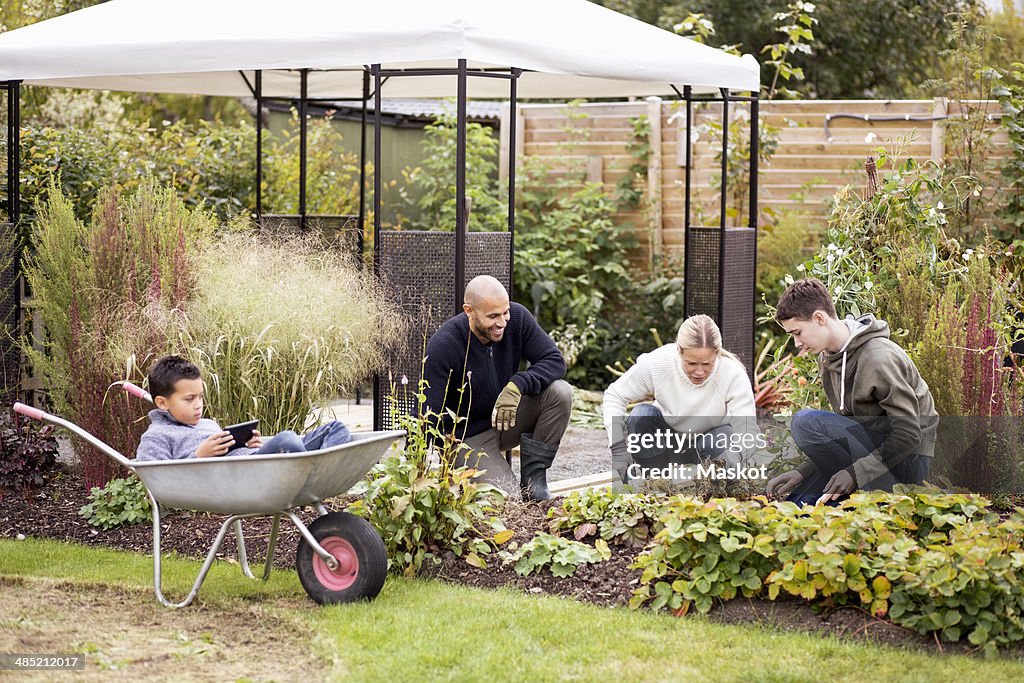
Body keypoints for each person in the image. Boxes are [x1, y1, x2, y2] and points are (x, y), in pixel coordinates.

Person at [765, 278, 938, 505]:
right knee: (801, 506)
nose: (796, 343)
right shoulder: (828, 359)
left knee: (804, 422)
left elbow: (909, 435)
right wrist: (805, 471)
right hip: (872, 451)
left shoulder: (879, 358)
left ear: (819, 318)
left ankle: (887, 499)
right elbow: (846, 432)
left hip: (908, 461)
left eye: (798, 333)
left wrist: (855, 473)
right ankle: (856, 504)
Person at [422, 275, 572, 501]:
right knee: (507, 502)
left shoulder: (518, 319)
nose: (502, 322)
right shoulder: (445, 345)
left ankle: (534, 482)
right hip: (467, 437)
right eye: (493, 316)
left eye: (505, 312)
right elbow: (426, 413)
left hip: (506, 418)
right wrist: (414, 470)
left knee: (560, 392)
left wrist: (517, 385)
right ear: (469, 311)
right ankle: (471, 475)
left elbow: (554, 360)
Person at [603, 314, 759, 485]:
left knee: (723, 436)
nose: (699, 372)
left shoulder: (732, 373)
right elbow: (614, 395)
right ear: (679, 351)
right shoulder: (659, 362)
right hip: (667, 447)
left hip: (709, 445)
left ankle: (716, 489)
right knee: (642, 415)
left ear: (717, 354)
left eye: (707, 364)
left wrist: (735, 455)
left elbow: (748, 431)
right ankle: (657, 484)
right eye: (691, 363)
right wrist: (618, 447)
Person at [135, 355, 351, 461]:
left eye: (200, 397)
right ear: (162, 403)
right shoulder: (156, 436)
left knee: (336, 428)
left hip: (253, 460)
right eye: (189, 399)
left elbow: (235, 450)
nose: (198, 405)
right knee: (287, 440)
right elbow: (160, 479)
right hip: (242, 477)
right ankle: (315, 474)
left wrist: (248, 443)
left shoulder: (208, 424)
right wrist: (199, 456)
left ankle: (314, 473)